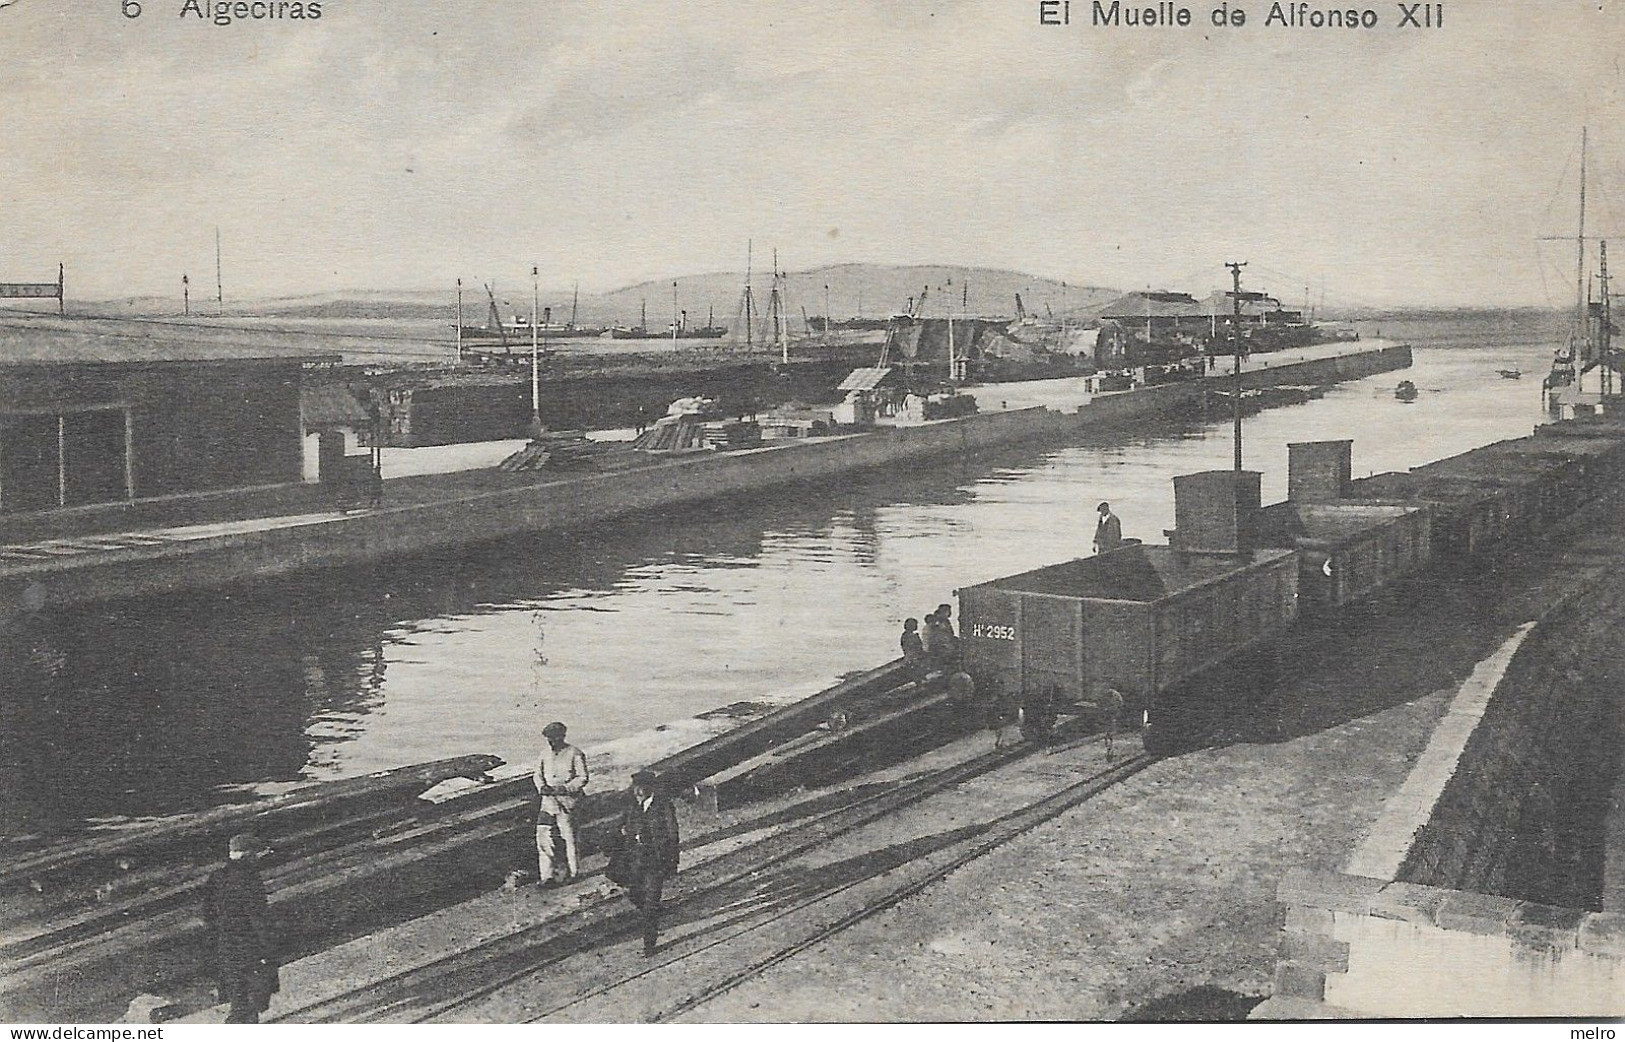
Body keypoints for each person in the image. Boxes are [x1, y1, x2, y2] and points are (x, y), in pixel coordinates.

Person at [203, 833, 279, 1024]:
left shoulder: (216, 877)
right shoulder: (249, 879)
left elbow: (207, 914)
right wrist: (268, 949)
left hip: (226, 947)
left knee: (238, 1000)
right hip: (249, 947)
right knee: (252, 1001)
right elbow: (258, 918)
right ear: (249, 856)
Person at [615, 770, 680, 956]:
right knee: (634, 895)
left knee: (650, 904)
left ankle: (649, 945)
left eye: (641, 788)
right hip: (636, 861)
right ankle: (653, 911)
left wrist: (672, 860)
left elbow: (673, 834)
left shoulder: (663, 806)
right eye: (635, 788)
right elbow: (620, 827)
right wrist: (623, 832)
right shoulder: (633, 807)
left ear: (650, 788)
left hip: (655, 861)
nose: (638, 792)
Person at [533, 721, 589, 885]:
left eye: (554, 738)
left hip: (568, 802)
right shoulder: (544, 754)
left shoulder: (575, 753)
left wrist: (565, 788)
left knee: (569, 837)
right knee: (544, 837)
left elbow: (582, 777)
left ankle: (574, 872)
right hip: (548, 803)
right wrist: (541, 787)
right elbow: (537, 774)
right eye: (549, 738)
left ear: (562, 736)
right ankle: (547, 876)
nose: (551, 741)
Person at [928, 604, 959, 670]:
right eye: (947, 611)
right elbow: (936, 635)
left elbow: (950, 633)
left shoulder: (946, 621)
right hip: (940, 644)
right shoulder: (937, 621)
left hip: (946, 642)